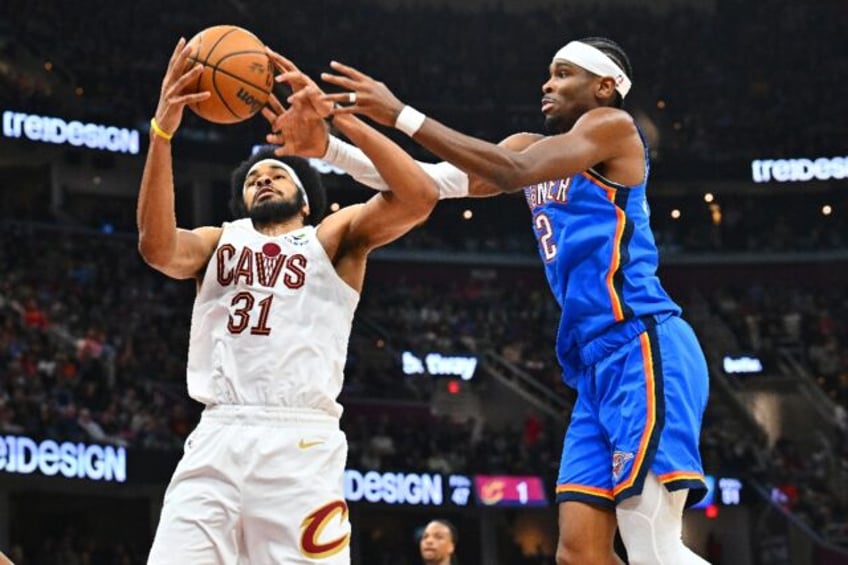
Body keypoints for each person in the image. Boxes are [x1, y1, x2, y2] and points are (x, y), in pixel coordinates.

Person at [269, 37, 710, 564]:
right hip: (594, 367)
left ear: (605, 86)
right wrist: (331, 144)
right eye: (548, 73)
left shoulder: (610, 127)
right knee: (580, 554)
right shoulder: (527, 147)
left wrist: (401, 113)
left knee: (653, 547)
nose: (547, 83)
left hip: (642, 344)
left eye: (564, 73)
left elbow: (511, 172)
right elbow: (427, 183)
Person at [137, 38, 438, 564]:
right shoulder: (219, 240)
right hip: (218, 434)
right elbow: (157, 248)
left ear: (305, 197)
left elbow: (418, 196)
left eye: (277, 173)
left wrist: (336, 126)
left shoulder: (332, 238)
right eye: (253, 180)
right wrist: (162, 132)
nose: (264, 180)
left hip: (299, 444)